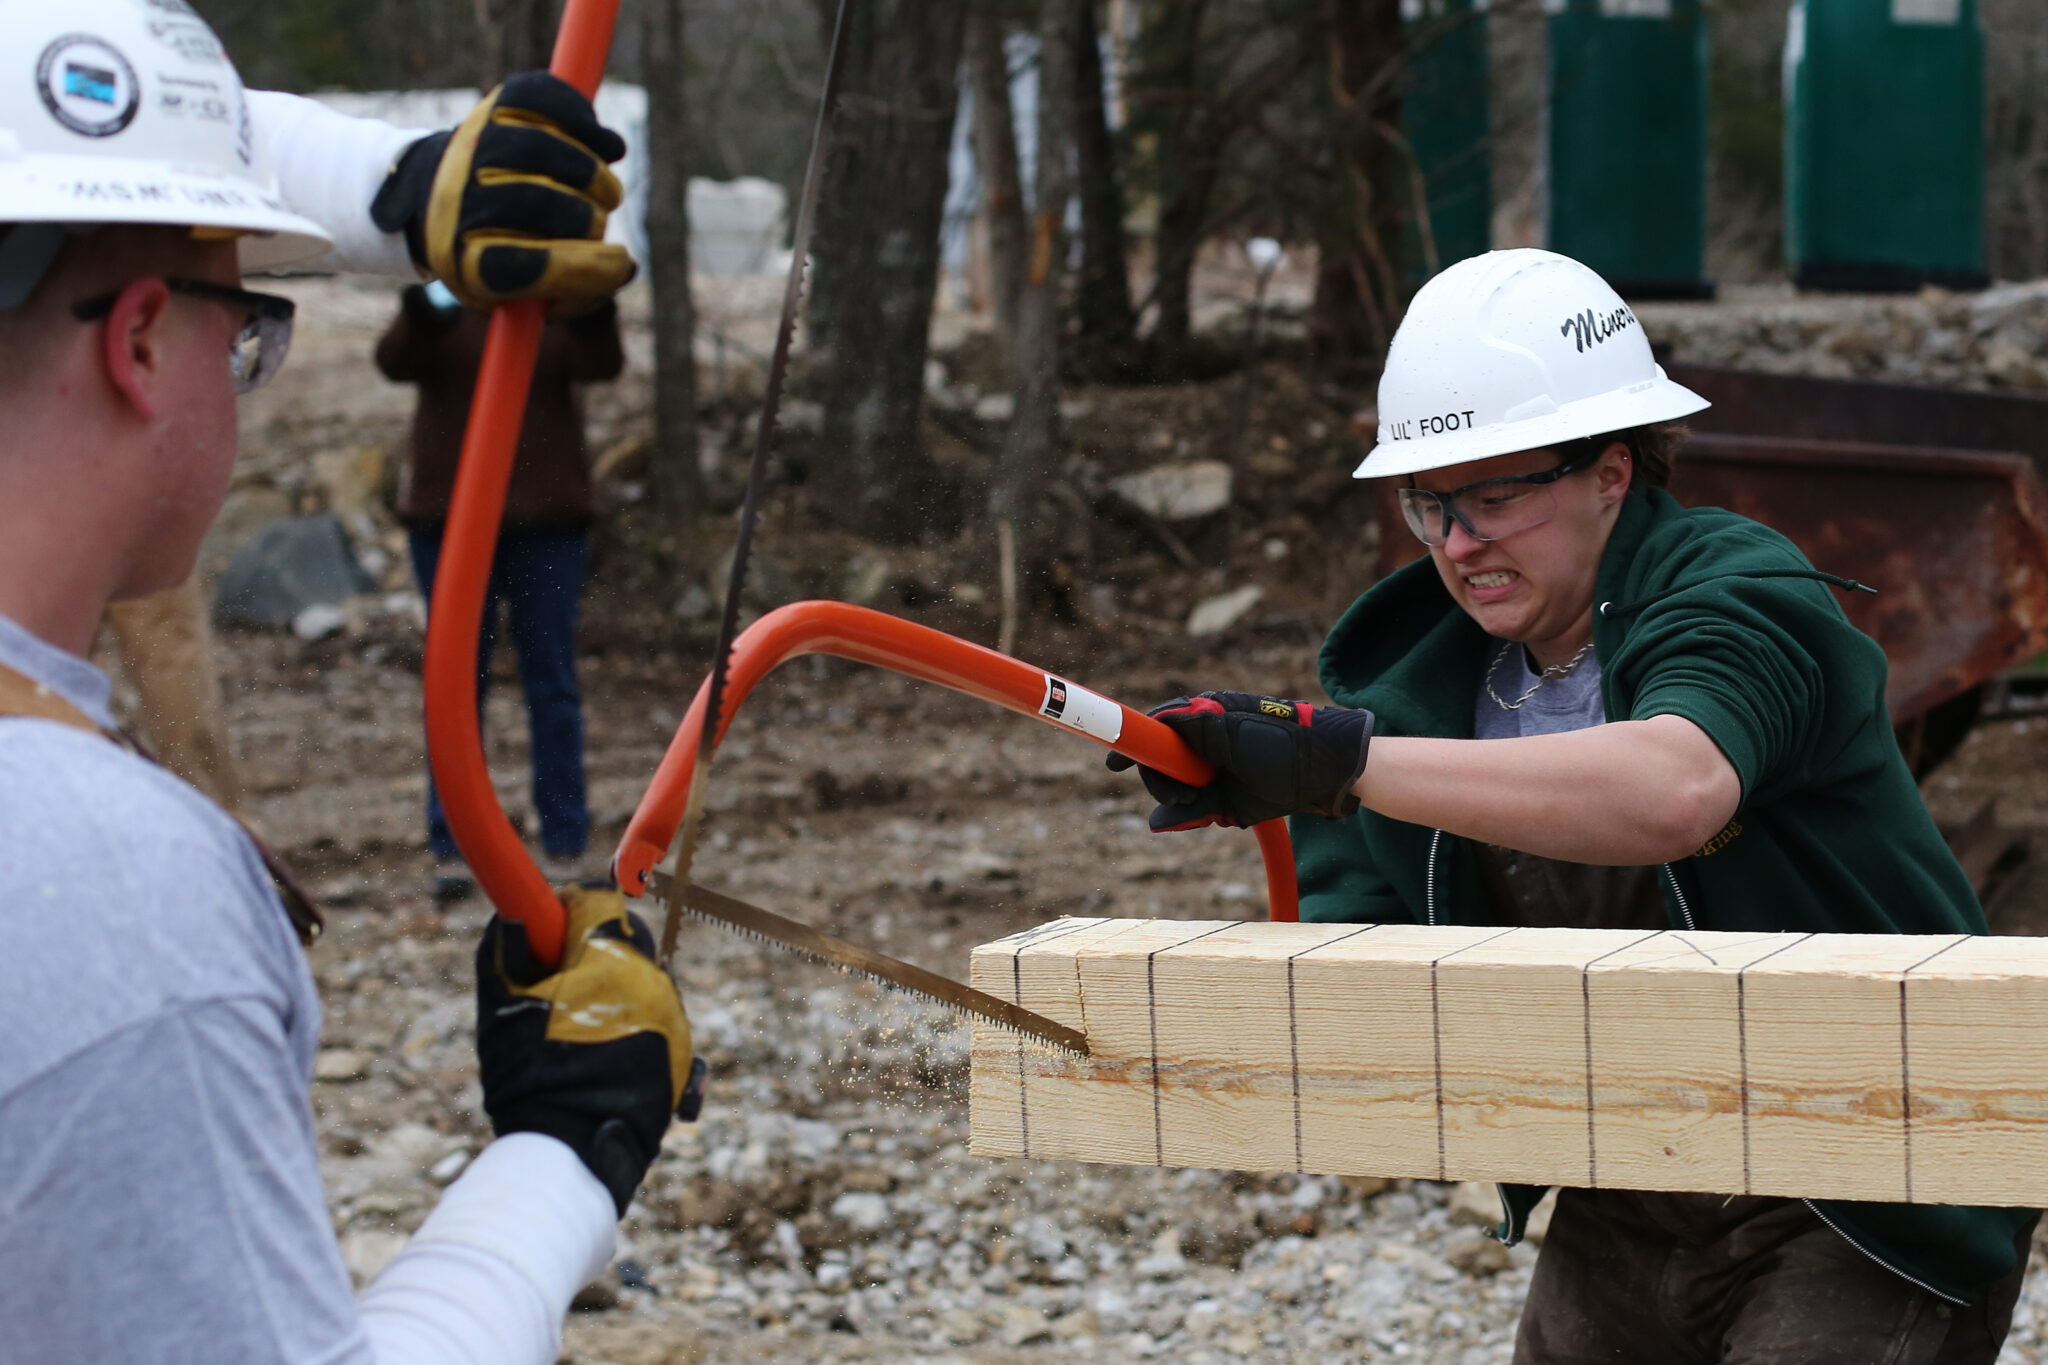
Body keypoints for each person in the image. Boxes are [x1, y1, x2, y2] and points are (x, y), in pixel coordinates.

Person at [1111, 247, 2036, 1363]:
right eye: (1427, 505)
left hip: (1872, 1178)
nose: (1457, 543)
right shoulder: (1415, 685)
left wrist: (1344, 762)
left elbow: (1673, 789)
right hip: (1631, 1177)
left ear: (1612, 470)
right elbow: (1364, 975)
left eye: (1496, 497)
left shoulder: (1740, 596)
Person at [0, 3, 698, 1361]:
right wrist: (567, 1150)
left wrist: (402, 186)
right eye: (247, 329)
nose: (245, 372)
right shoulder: (97, 886)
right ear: (140, 343)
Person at [378, 279, 624, 899]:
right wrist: (428, 305)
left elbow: (603, 363)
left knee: (553, 684)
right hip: (450, 521)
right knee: (455, 685)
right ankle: (453, 846)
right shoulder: (449, 293)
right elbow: (394, 361)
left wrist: (593, 301)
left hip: (546, 521)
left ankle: (565, 842)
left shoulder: (555, 293)